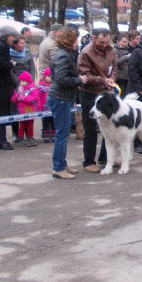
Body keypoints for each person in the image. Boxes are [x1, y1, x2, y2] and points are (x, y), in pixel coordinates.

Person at [48, 26, 87, 179]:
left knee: (62, 134)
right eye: (76, 39)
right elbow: (60, 78)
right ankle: (58, 167)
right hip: (60, 98)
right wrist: (79, 80)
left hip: (63, 98)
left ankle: (62, 164)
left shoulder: (65, 54)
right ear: (70, 40)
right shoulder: (62, 56)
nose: (77, 41)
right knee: (62, 135)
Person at [78, 28, 117, 171]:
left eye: (107, 42)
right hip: (89, 93)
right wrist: (103, 80)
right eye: (101, 42)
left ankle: (105, 158)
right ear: (93, 38)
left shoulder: (111, 50)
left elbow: (114, 68)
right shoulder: (86, 53)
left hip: (106, 92)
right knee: (91, 129)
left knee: (109, 127)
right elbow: (84, 75)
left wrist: (112, 78)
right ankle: (88, 162)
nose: (104, 45)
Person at [9, 35, 36, 143]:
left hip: (28, 83)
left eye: (24, 43)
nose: (23, 45)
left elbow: (32, 67)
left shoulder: (27, 52)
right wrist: (18, 83)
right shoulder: (9, 54)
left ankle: (28, 134)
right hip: (15, 83)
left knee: (29, 109)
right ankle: (16, 133)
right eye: (21, 43)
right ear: (14, 44)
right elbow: (9, 70)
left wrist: (30, 81)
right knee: (15, 109)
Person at [11, 71, 41, 147]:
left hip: (29, 110)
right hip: (21, 111)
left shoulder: (32, 89)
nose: (21, 83)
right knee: (22, 125)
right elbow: (13, 99)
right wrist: (17, 96)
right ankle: (21, 138)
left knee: (30, 124)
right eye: (20, 81)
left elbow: (33, 99)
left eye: (23, 81)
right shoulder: (19, 89)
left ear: (28, 81)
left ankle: (30, 137)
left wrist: (23, 97)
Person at [38, 67, 55, 142]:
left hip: (53, 107)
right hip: (44, 108)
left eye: (51, 76)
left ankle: (54, 134)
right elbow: (38, 97)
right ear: (44, 76)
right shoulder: (41, 86)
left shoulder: (55, 86)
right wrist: (39, 106)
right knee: (45, 121)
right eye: (48, 76)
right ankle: (46, 134)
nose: (49, 78)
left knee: (53, 121)